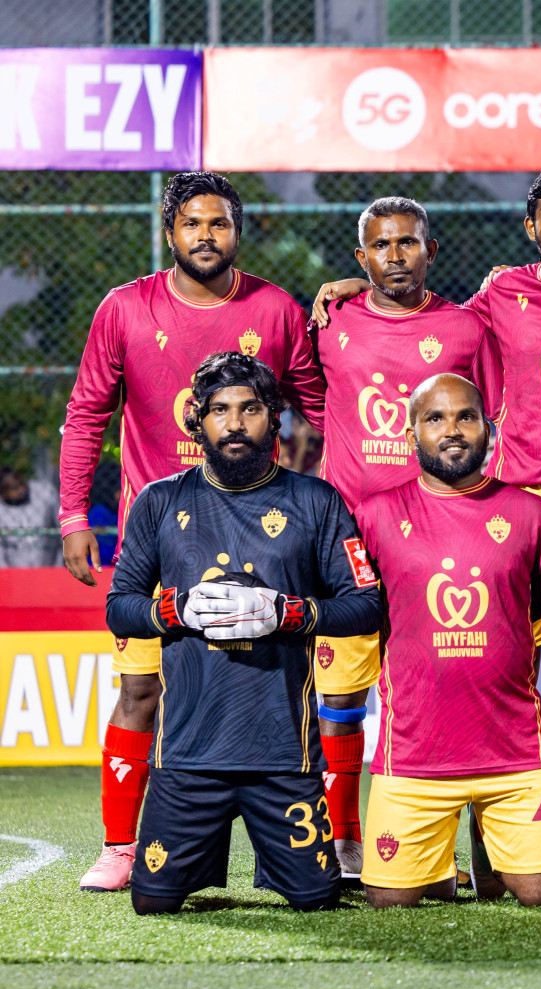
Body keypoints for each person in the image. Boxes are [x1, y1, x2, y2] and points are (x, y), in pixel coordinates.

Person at [65, 171, 325, 893]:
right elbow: (87, 413)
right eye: (191, 224)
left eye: (218, 224)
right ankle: (121, 845)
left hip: (267, 530)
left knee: (299, 691)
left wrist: (338, 496)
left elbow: (321, 407)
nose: (204, 237)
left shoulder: (275, 308)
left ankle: (331, 842)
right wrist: (72, 515)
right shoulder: (124, 308)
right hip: (162, 536)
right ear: (169, 231)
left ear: (237, 231)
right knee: (142, 689)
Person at [315, 162, 541, 692]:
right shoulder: (501, 295)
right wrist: (360, 288)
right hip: (520, 494)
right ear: (532, 227)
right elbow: (427, 321)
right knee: (508, 644)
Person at [103, 352, 381, 914]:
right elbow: (119, 608)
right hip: (187, 755)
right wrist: (176, 609)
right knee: (152, 902)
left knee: (316, 899)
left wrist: (290, 614)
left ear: (273, 418)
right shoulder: (159, 502)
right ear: (197, 421)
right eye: (219, 410)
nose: (234, 423)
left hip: (283, 756)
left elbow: (367, 606)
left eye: (250, 409)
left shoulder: (317, 502)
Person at [291, 196, 505, 877]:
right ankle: (345, 835)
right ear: (361, 258)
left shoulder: (466, 329)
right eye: (381, 247)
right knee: (342, 697)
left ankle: (454, 846)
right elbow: (314, 402)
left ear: (430, 251)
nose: (395, 256)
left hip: (436, 539)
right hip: (347, 541)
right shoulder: (331, 322)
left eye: (409, 243)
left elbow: (489, 420)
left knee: (443, 683)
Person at [351, 373, 541, 907]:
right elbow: (344, 609)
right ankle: (444, 869)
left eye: (466, 416)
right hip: (413, 757)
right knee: (390, 905)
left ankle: (485, 855)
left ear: (488, 428)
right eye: (435, 418)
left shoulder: (532, 513)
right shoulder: (373, 515)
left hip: (515, 756)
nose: (453, 430)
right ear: (411, 431)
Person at [0, 465, 61, 567]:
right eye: (14, 488)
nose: (21, 489)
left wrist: (60, 564)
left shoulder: (44, 493)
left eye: (22, 483)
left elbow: (62, 527)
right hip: (15, 571)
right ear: (2, 493)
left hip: (50, 565)